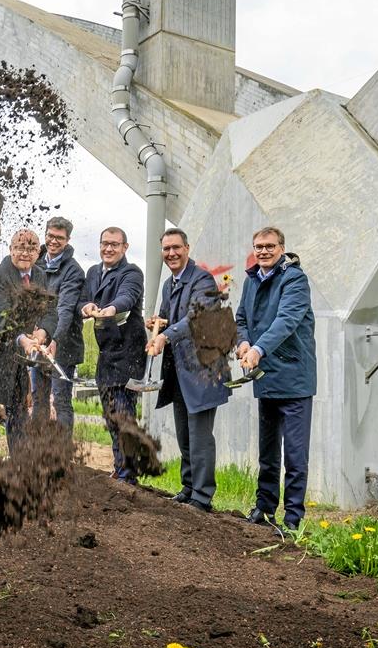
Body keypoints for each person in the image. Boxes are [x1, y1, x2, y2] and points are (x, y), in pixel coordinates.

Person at [236, 226, 316, 533]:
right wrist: (243, 343)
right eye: (259, 246)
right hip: (265, 377)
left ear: (281, 248)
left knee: (295, 455)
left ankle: (293, 519)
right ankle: (264, 508)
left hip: (294, 378)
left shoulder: (295, 279)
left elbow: (287, 320)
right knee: (268, 452)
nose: (264, 251)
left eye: (270, 246)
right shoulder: (251, 280)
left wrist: (257, 349)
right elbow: (242, 318)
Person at [146, 228, 230, 512]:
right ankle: (188, 486)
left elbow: (196, 317)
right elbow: (171, 317)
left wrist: (165, 335)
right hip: (180, 371)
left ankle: (202, 497)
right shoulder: (170, 284)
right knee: (184, 433)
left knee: (200, 436)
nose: (171, 253)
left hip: (203, 370)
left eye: (176, 248)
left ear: (187, 248)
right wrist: (158, 323)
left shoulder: (202, 279)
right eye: (166, 248)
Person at [0, 229, 58, 484]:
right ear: (10, 249)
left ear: (38, 252)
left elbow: (51, 310)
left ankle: (20, 471)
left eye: (31, 248)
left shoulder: (40, 275)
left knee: (19, 408)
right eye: (20, 247)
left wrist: (42, 332)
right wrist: (23, 338)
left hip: (17, 350)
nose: (25, 253)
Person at [78, 227, 146, 484]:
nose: (108, 248)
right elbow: (82, 300)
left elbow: (127, 297)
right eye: (105, 243)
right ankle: (120, 468)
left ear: (125, 247)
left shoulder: (131, 272)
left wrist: (110, 309)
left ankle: (128, 475)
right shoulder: (94, 272)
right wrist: (86, 306)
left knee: (124, 414)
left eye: (114, 244)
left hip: (129, 354)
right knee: (111, 415)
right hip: (106, 353)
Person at [32, 216, 85, 436]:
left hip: (62, 343)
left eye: (60, 238)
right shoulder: (36, 262)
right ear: (45, 235)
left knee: (60, 399)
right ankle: (37, 452)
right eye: (51, 236)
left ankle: (62, 456)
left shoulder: (73, 271)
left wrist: (55, 338)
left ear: (68, 240)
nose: (54, 241)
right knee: (38, 398)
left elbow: (64, 309)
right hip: (37, 340)